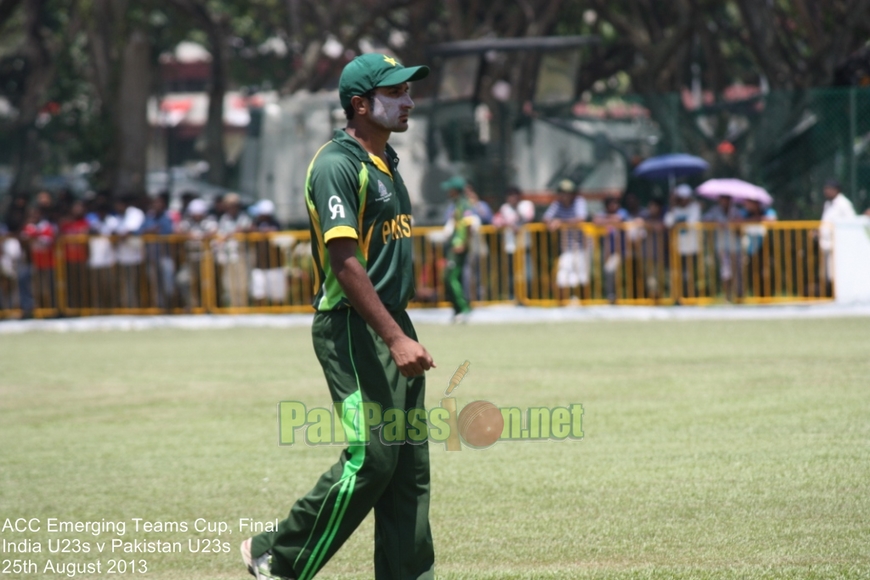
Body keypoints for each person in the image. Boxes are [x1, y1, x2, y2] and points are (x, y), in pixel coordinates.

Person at [240, 52, 436, 580]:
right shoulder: (336, 164)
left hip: (391, 321)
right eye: (395, 93)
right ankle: (277, 554)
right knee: (373, 457)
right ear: (360, 104)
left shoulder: (386, 161)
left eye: (408, 91)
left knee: (407, 471)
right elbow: (345, 262)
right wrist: (394, 337)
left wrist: (400, 328)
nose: (408, 101)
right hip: (353, 326)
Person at [542, 178, 588, 302]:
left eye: (567, 192)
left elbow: (580, 219)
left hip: (581, 246)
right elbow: (546, 218)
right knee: (562, 276)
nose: (565, 195)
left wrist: (560, 222)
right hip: (566, 247)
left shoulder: (579, 201)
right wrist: (551, 223)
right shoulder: (557, 204)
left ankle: (585, 304)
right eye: (562, 192)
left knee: (582, 277)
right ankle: (563, 304)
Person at [442, 175, 475, 321]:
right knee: (450, 277)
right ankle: (457, 309)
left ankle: (463, 308)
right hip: (454, 246)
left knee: (452, 278)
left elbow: (468, 225)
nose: (448, 191)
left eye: (450, 189)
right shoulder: (456, 204)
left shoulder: (464, 204)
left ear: (455, 190)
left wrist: (464, 244)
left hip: (459, 246)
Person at [493, 186, 535, 300]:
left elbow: (528, 217)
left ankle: (527, 297)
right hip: (511, 246)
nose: (512, 197)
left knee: (528, 274)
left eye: (514, 194)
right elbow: (496, 221)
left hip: (524, 245)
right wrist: (507, 224)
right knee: (512, 275)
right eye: (510, 195)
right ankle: (514, 298)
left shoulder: (526, 205)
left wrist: (516, 212)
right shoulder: (504, 208)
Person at [702, 194, 745, 302]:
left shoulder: (736, 211)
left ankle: (739, 296)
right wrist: (716, 223)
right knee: (726, 272)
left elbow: (742, 228)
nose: (724, 202)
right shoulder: (714, 211)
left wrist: (736, 224)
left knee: (737, 272)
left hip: (736, 246)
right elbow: (704, 220)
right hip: (722, 246)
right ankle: (727, 296)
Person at [664, 184, 702, 300]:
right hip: (678, 248)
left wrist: (678, 223)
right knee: (677, 275)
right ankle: (678, 297)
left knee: (689, 275)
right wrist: (672, 206)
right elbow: (668, 223)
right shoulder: (674, 209)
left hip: (692, 247)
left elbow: (691, 222)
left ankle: (690, 297)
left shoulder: (695, 207)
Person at [819, 178, 857, 291]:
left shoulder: (844, 204)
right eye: (825, 189)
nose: (826, 191)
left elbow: (851, 222)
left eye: (829, 189)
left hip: (839, 245)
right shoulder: (828, 204)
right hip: (826, 243)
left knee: (837, 272)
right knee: (827, 272)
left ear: (837, 190)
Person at [248, 199, 286, 306]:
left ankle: (277, 312)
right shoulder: (255, 223)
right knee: (259, 292)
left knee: (277, 294)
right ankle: (260, 312)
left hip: (275, 263)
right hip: (260, 264)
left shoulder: (276, 224)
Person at [593, 196, 630, 303]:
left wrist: (606, 220)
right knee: (607, 271)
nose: (614, 206)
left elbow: (619, 219)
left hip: (620, 251)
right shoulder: (602, 213)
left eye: (616, 203)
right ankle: (612, 296)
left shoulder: (623, 212)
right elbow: (596, 220)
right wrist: (609, 220)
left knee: (609, 269)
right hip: (607, 251)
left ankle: (612, 296)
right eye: (611, 204)